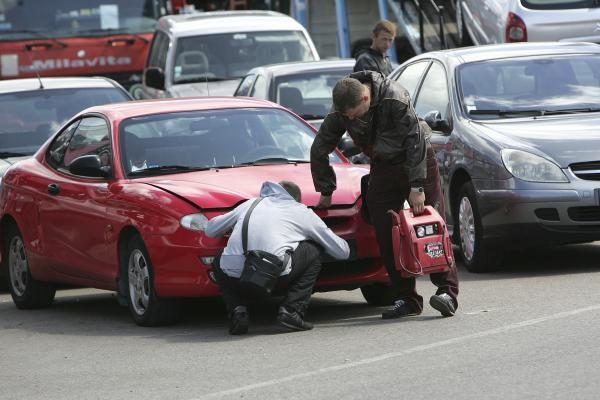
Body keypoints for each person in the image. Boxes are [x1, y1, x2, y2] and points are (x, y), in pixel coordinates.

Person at [310, 71, 459, 319]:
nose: (350, 119)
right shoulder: (344, 105)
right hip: (382, 165)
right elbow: (320, 146)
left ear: (366, 98)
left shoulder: (394, 98)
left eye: (354, 114)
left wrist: (416, 187)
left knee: (432, 226)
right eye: (346, 116)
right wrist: (326, 190)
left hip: (417, 160)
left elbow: (416, 141)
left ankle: (447, 293)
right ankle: (405, 298)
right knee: (385, 228)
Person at [205, 180, 350, 335]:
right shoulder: (299, 210)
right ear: (296, 198)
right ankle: (291, 311)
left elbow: (211, 230)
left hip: (234, 276)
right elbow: (342, 252)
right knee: (313, 250)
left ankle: (237, 311)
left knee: (221, 257)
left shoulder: (251, 204)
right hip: (271, 275)